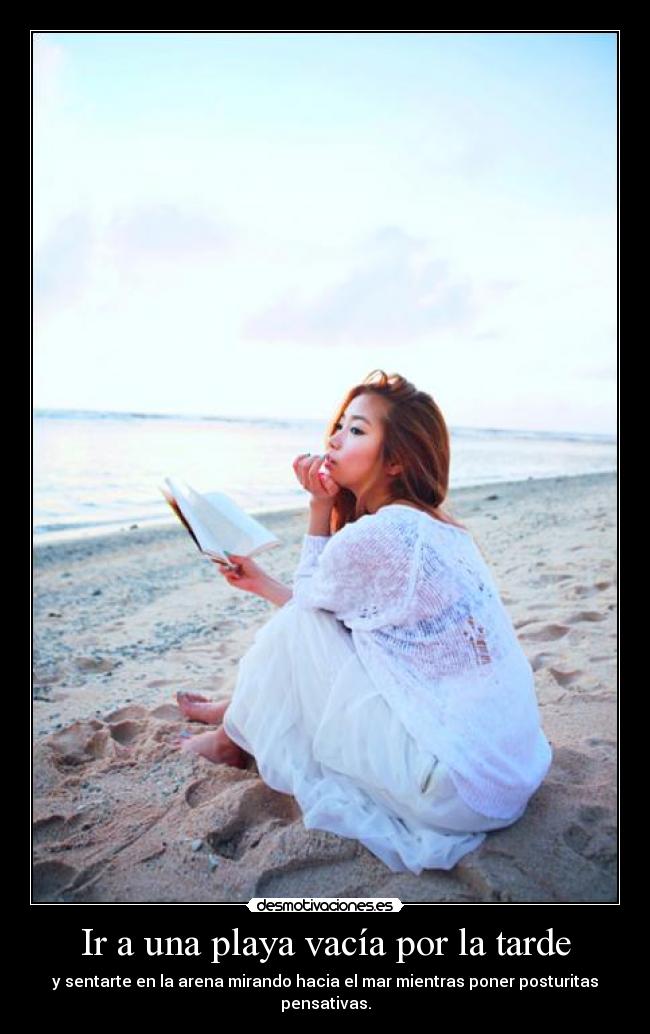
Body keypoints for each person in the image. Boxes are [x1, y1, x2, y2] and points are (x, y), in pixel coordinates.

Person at [172, 370, 553, 874]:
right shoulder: (437, 528)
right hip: (504, 780)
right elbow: (339, 618)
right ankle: (235, 711)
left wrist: (320, 505)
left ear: (395, 461)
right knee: (324, 629)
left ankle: (231, 739)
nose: (334, 439)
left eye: (356, 430)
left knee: (296, 625)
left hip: (453, 790)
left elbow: (308, 614)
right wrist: (261, 582)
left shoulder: (380, 533)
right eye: (339, 426)